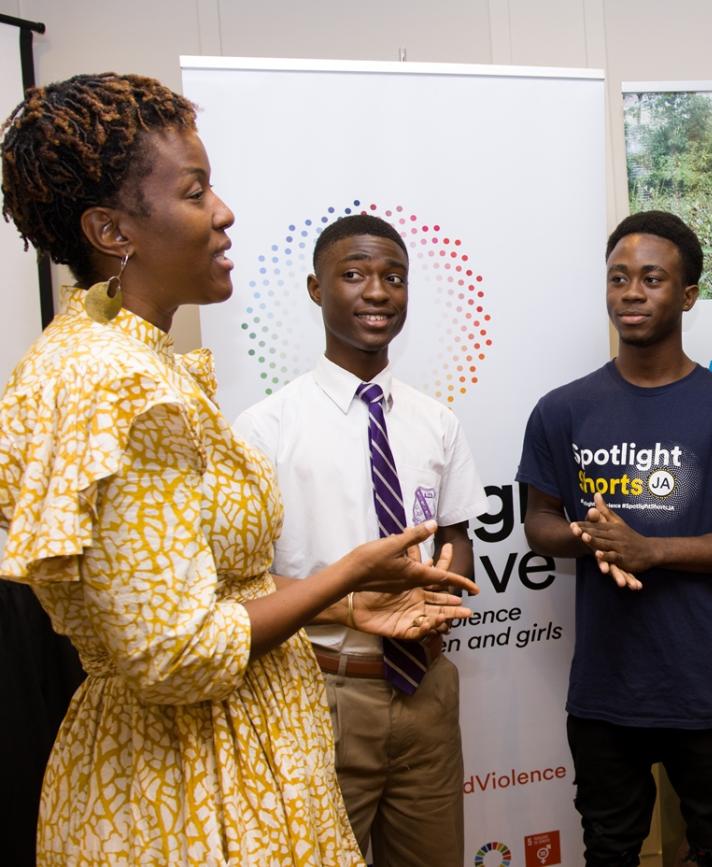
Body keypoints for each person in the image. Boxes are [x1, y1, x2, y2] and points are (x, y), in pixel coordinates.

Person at [0, 73, 476, 865]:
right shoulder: (113, 384)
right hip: (192, 792)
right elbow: (173, 652)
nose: (223, 213)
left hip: (234, 760)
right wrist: (342, 578)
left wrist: (350, 599)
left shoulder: (135, 363)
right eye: (196, 191)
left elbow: (203, 596)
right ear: (111, 230)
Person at [518, 210, 712, 866]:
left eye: (651, 278)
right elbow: (538, 524)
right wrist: (594, 538)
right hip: (607, 689)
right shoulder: (564, 409)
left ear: (689, 294)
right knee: (610, 850)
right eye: (618, 278)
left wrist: (654, 549)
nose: (631, 292)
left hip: (707, 685)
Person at [235, 212, 484, 866]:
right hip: (319, 692)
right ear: (317, 289)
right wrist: (349, 602)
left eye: (393, 277)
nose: (377, 291)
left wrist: (441, 586)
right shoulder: (265, 429)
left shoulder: (438, 422)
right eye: (354, 274)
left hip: (425, 690)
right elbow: (239, 585)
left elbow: (458, 534)